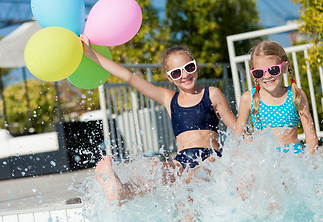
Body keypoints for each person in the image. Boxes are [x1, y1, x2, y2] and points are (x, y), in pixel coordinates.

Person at [79, 35, 237, 206]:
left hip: (211, 159)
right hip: (182, 160)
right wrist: (90, 53)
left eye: (189, 67)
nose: (184, 75)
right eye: (176, 72)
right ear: (169, 77)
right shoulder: (169, 99)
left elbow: (237, 128)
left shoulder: (211, 94)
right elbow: (128, 77)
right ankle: (122, 191)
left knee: (188, 182)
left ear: (195, 67)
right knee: (154, 171)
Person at [235, 40, 318, 154]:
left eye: (273, 70)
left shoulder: (296, 95)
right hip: (265, 159)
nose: (267, 76)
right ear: (253, 74)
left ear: (284, 67)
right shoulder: (249, 98)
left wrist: (310, 161)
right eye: (259, 73)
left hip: (292, 157)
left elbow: (310, 135)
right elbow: (238, 135)